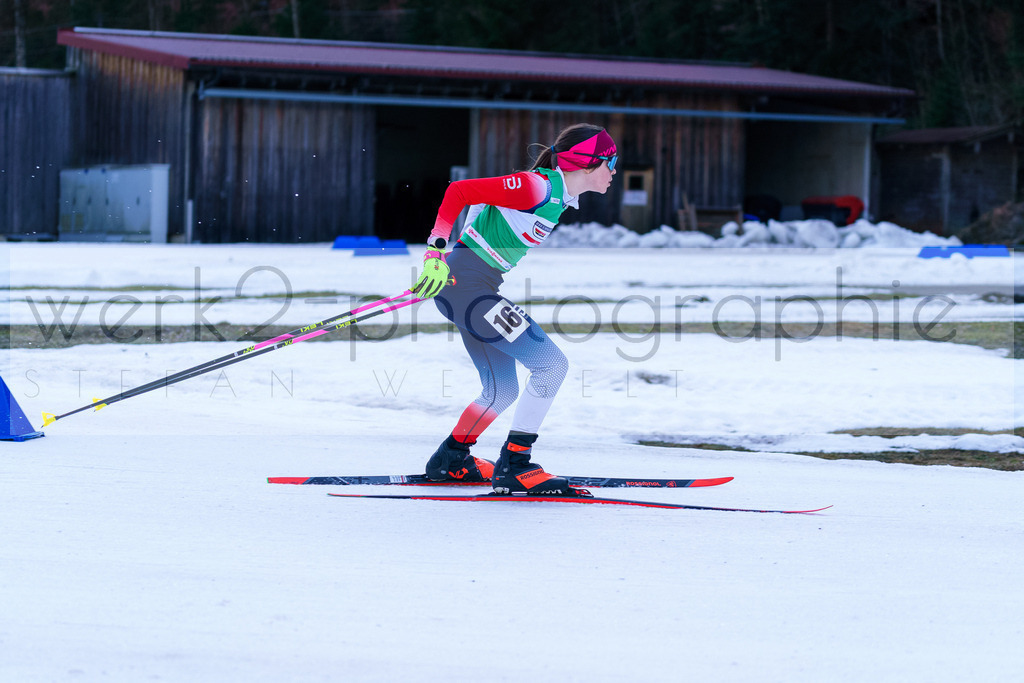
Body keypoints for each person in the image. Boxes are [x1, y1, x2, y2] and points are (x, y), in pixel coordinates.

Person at [411, 123, 618, 494]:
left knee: (501, 389)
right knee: (551, 365)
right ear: (587, 163)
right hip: (468, 288)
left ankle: (451, 458)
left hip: (472, 288)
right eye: (610, 161)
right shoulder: (536, 186)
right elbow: (460, 190)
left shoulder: (557, 195)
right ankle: (516, 463)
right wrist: (434, 251)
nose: (614, 171)